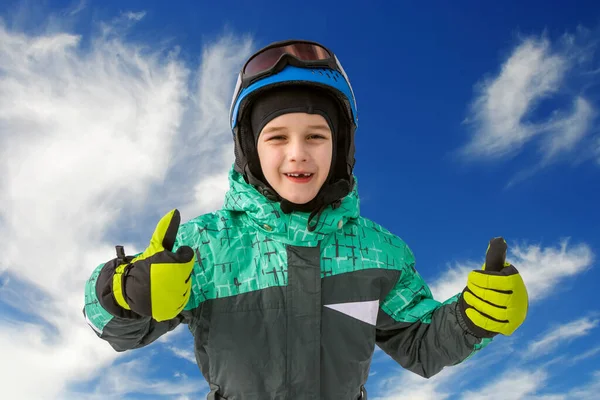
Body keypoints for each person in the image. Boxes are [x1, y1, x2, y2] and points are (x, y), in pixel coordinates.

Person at [83, 39, 529, 400]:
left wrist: (475, 317)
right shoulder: (203, 246)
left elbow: (420, 345)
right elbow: (118, 331)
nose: (298, 152)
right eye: (277, 137)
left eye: (316, 136)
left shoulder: (379, 251)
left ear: (342, 148)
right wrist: (124, 291)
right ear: (249, 149)